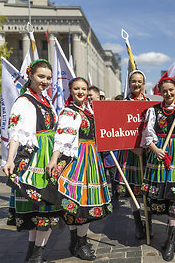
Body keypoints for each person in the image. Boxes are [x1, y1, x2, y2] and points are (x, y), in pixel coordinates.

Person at [2, 59, 63, 262]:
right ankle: (36, 257)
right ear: (30, 75)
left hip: (49, 155)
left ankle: (32, 255)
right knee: (43, 209)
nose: (45, 81)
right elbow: (16, 133)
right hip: (38, 157)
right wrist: (10, 160)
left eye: (48, 78)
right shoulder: (24, 101)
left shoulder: (44, 99)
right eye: (41, 76)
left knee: (40, 212)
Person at [45, 77, 112, 261]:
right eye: (77, 89)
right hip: (78, 158)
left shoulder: (90, 111)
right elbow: (61, 138)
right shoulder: (69, 112)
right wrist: (53, 160)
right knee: (78, 202)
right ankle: (79, 243)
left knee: (85, 201)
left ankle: (77, 242)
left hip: (92, 158)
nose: (81, 92)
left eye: (83, 89)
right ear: (71, 90)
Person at [140, 77, 175, 261]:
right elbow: (148, 134)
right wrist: (155, 149)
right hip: (161, 153)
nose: (168, 94)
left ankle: (172, 240)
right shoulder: (153, 110)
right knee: (162, 195)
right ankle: (171, 235)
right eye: (164, 91)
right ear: (160, 92)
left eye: (171, 90)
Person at [114, 69, 150, 239]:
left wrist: (144, 146)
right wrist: (130, 146)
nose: (137, 84)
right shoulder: (122, 104)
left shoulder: (150, 103)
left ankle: (148, 223)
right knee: (132, 190)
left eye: (140, 81)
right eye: (134, 81)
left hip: (146, 152)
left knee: (147, 190)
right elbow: (118, 128)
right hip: (129, 153)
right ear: (129, 84)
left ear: (144, 84)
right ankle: (138, 223)